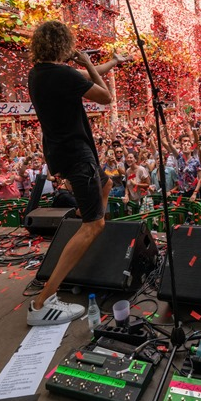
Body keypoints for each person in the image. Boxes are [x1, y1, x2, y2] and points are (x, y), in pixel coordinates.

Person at [25, 20, 127, 326]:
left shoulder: (40, 73)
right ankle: (42, 303)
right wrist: (88, 62)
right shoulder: (64, 73)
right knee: (93, 224)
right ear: (63, 44)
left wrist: (110, 62)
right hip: (76, 153)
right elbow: (106, 96)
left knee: (106, 183)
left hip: (63, 151)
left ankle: (94, 222)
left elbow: (84, 77)